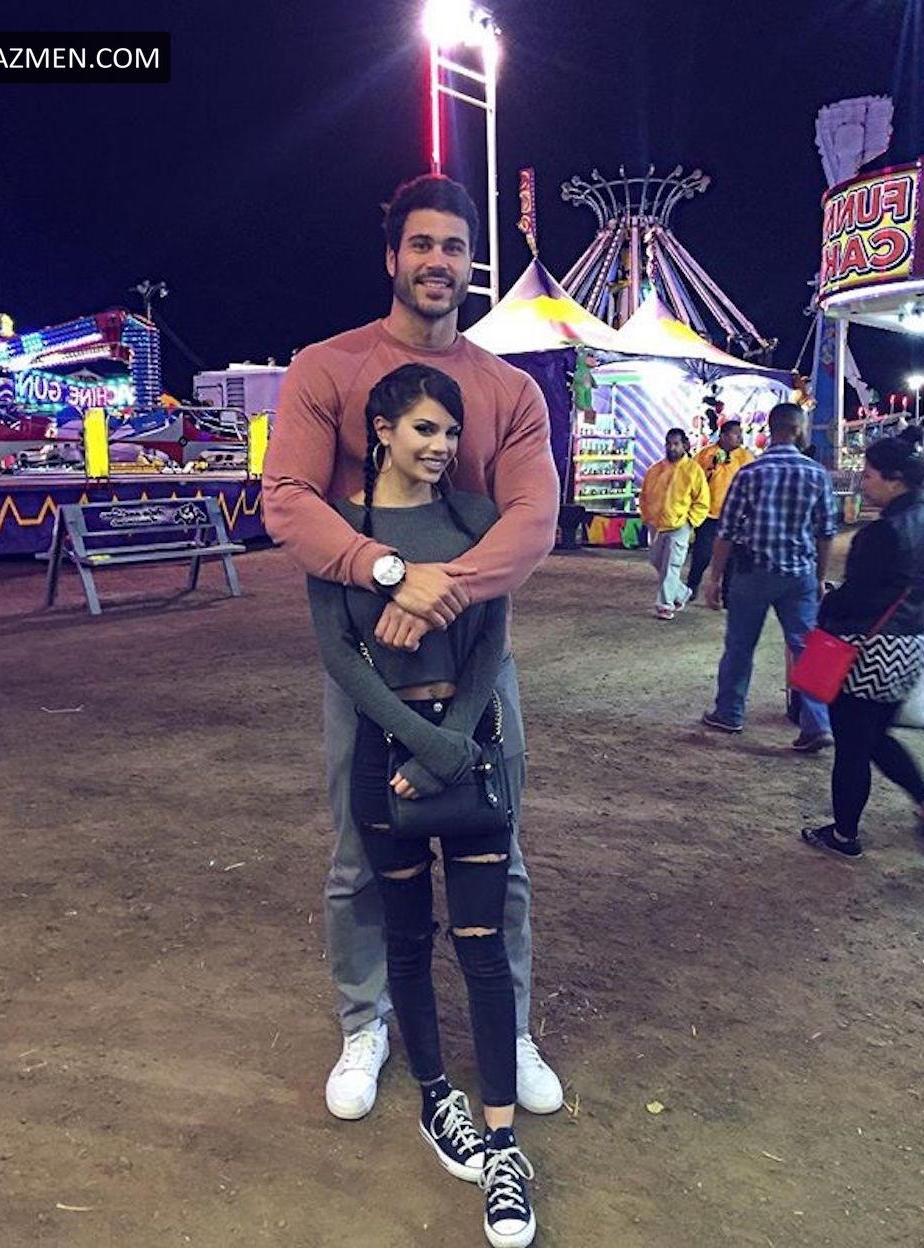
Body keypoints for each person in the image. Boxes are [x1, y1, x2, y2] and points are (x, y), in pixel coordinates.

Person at [262, 173, 563, 1123]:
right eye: (422, 244)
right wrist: (387, 571)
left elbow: (534, 516)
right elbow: (288, 499)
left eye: (455, 247)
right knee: (362, 849)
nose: (439, 261)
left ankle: (510, 1027)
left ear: (471, 265)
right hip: (365, 659)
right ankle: (366, 1021)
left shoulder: (510, 390)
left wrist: (446, 591)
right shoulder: (327, 368)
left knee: (496, 839)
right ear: (392, 255)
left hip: (476, 659)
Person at [307, 363, 536, 1248]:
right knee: (405, 936)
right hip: (385, 758)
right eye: (424, 430)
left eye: (451, 432)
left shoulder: (478, 521)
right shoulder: (344, 534)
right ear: (382, 432)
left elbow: (490, 645)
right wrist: (424, 746)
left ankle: (503, 1141)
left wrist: (451, 748)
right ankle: (438, 1099)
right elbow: (341, 658)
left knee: (482, 942)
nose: (441, 446)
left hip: (466, 754)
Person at [802, 434, 924, 856]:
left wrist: (829, 601)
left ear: (895, 480)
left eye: (870, 474)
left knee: (854, 747)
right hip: (912, 643)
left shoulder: (882, 533)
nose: (863, 481)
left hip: (871, 650)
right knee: (876, 736)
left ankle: (844, 836)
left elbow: (857, 598)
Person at [701, 402, 838, 751]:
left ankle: (729, 712)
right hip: (800, 574)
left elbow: (726, 531)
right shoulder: (816, 474)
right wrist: (819, 577)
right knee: (808, 648)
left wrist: (714, 577)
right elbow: (826, 532)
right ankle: (818, 723)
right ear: (796, 429)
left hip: (753, 572)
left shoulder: (750, 472)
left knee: (740, 645)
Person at [638, 428, 710, 619]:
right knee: (656, 561)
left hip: (679, 525)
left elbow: (702, 501)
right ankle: (682, 592)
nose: (672, 448)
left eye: (676, 444)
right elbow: (644, 496)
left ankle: (665, 604)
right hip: (656, 525)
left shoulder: (694, 471)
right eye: (669, 444)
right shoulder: (654, 470)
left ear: (685, 445)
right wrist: (646, 517)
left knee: (672, 566)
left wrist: (690, 521)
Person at [686, 419, 754, 601]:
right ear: (723, 436)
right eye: (736, 434)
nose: (740, 437)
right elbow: (692, 479)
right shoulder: (705, 454)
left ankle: (727, 594)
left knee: (731, 558)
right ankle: (691, 586)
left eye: (740, 434)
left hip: (734, 516)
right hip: (708, 515)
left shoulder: (746, 457)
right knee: (702, 554)